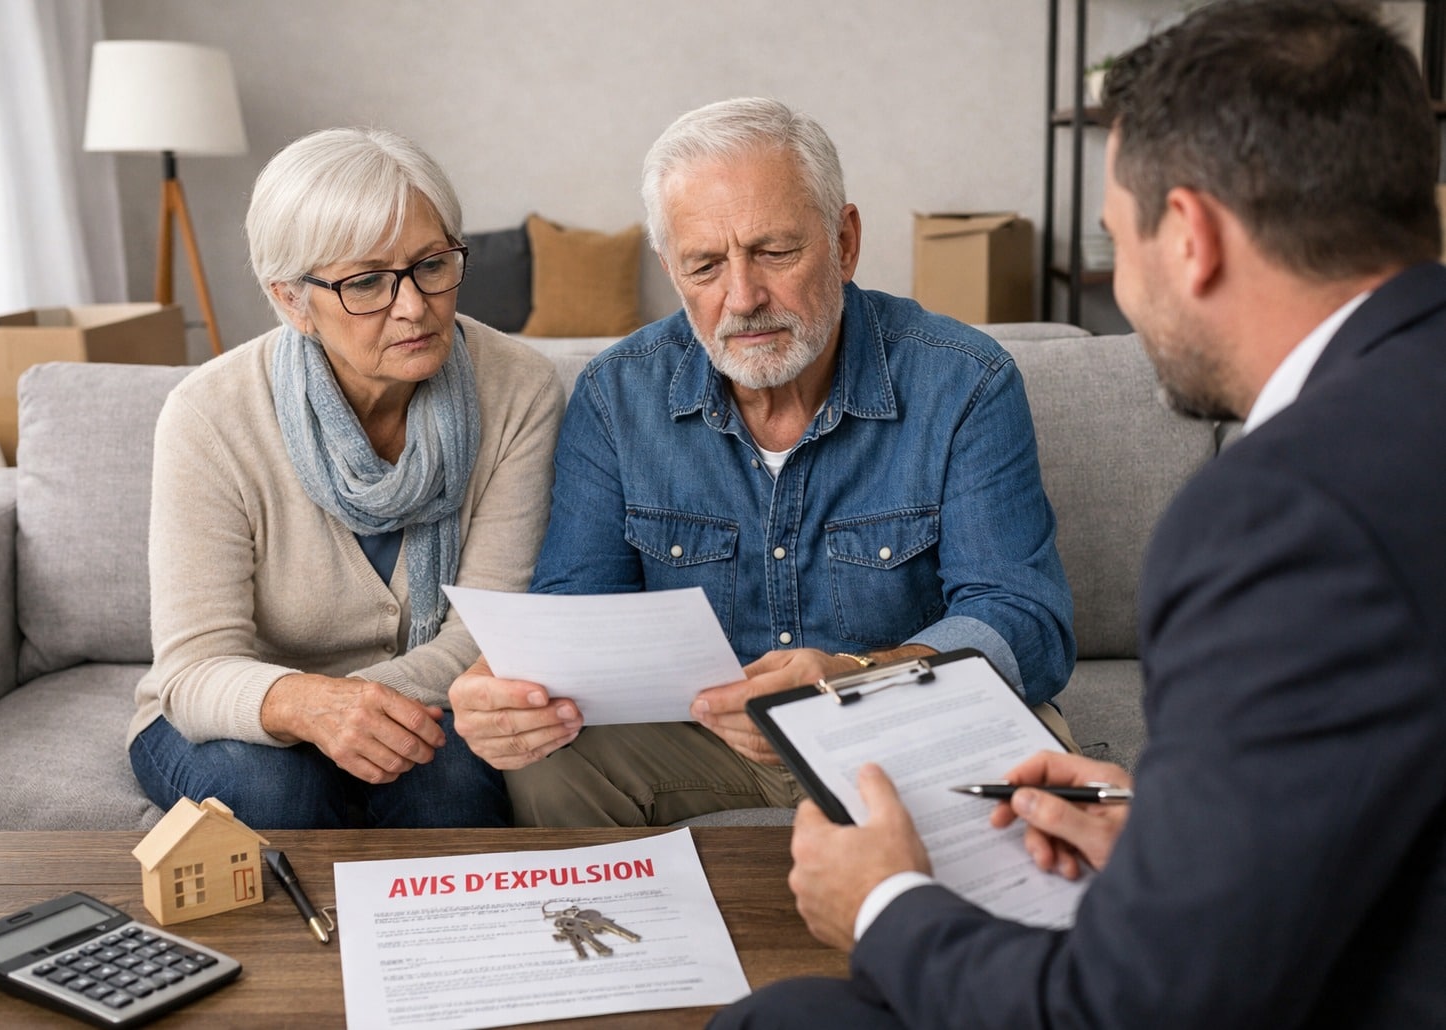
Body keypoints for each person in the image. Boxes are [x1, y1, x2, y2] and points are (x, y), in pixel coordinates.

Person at [712, 1, 1446, 1026]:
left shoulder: (1284, 513)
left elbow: (1131, 1007)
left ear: (1187, 235)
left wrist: (882, 901)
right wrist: (1169, 838)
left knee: (786, 1016)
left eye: (1117, 239)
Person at [449, 97, 1076, 826]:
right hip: (703, 739)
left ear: (844, 241)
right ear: (670, 270)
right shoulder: (617, 395)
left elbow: (1025, 624)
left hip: (901, 724)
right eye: (705, 265)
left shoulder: (964, 380)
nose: (742, 298)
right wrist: (517, 694)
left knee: (1038, 775)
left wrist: (852, 677)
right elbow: (577, 612)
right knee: (550, 766)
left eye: (775, 252)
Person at [127, 128, 566, 829]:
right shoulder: (208, 415)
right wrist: (310, 709)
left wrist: (357, 710)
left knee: (452, 783)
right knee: (281, 790)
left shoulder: (520, 389)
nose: (414, 306)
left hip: (431, 696)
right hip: (246, 713)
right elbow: (194, 669)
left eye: (431, 265)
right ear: (293, 300)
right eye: (365, 282)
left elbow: (485, 634)